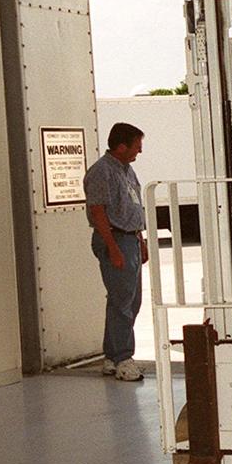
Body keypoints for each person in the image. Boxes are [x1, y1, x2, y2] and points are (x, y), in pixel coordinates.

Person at [84, 122, 148, 382]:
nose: (139, 152)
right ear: (121, 146)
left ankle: (111, 355)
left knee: (131, 300)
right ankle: (123, 358)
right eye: (136, 146)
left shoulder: (127, 170)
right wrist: (113, 248)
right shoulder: (102, 172)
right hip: (115, 239)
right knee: (122, 301)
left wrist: (139, 239)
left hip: (129, 238)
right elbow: (98, 212)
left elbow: (134, 205)